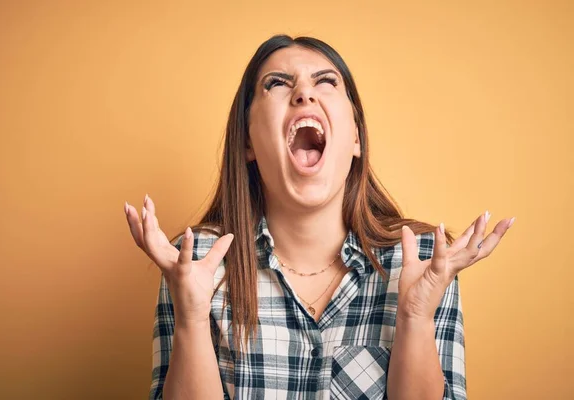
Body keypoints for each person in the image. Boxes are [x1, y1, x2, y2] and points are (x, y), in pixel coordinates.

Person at [124, 34, 515, 400]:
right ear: (247, 141)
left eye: (326, 82)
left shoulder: (426, 261)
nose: (304, 93)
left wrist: (415, 317)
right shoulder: (196, 264)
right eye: (277, 83)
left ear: (357, 138)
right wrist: (191, 317)